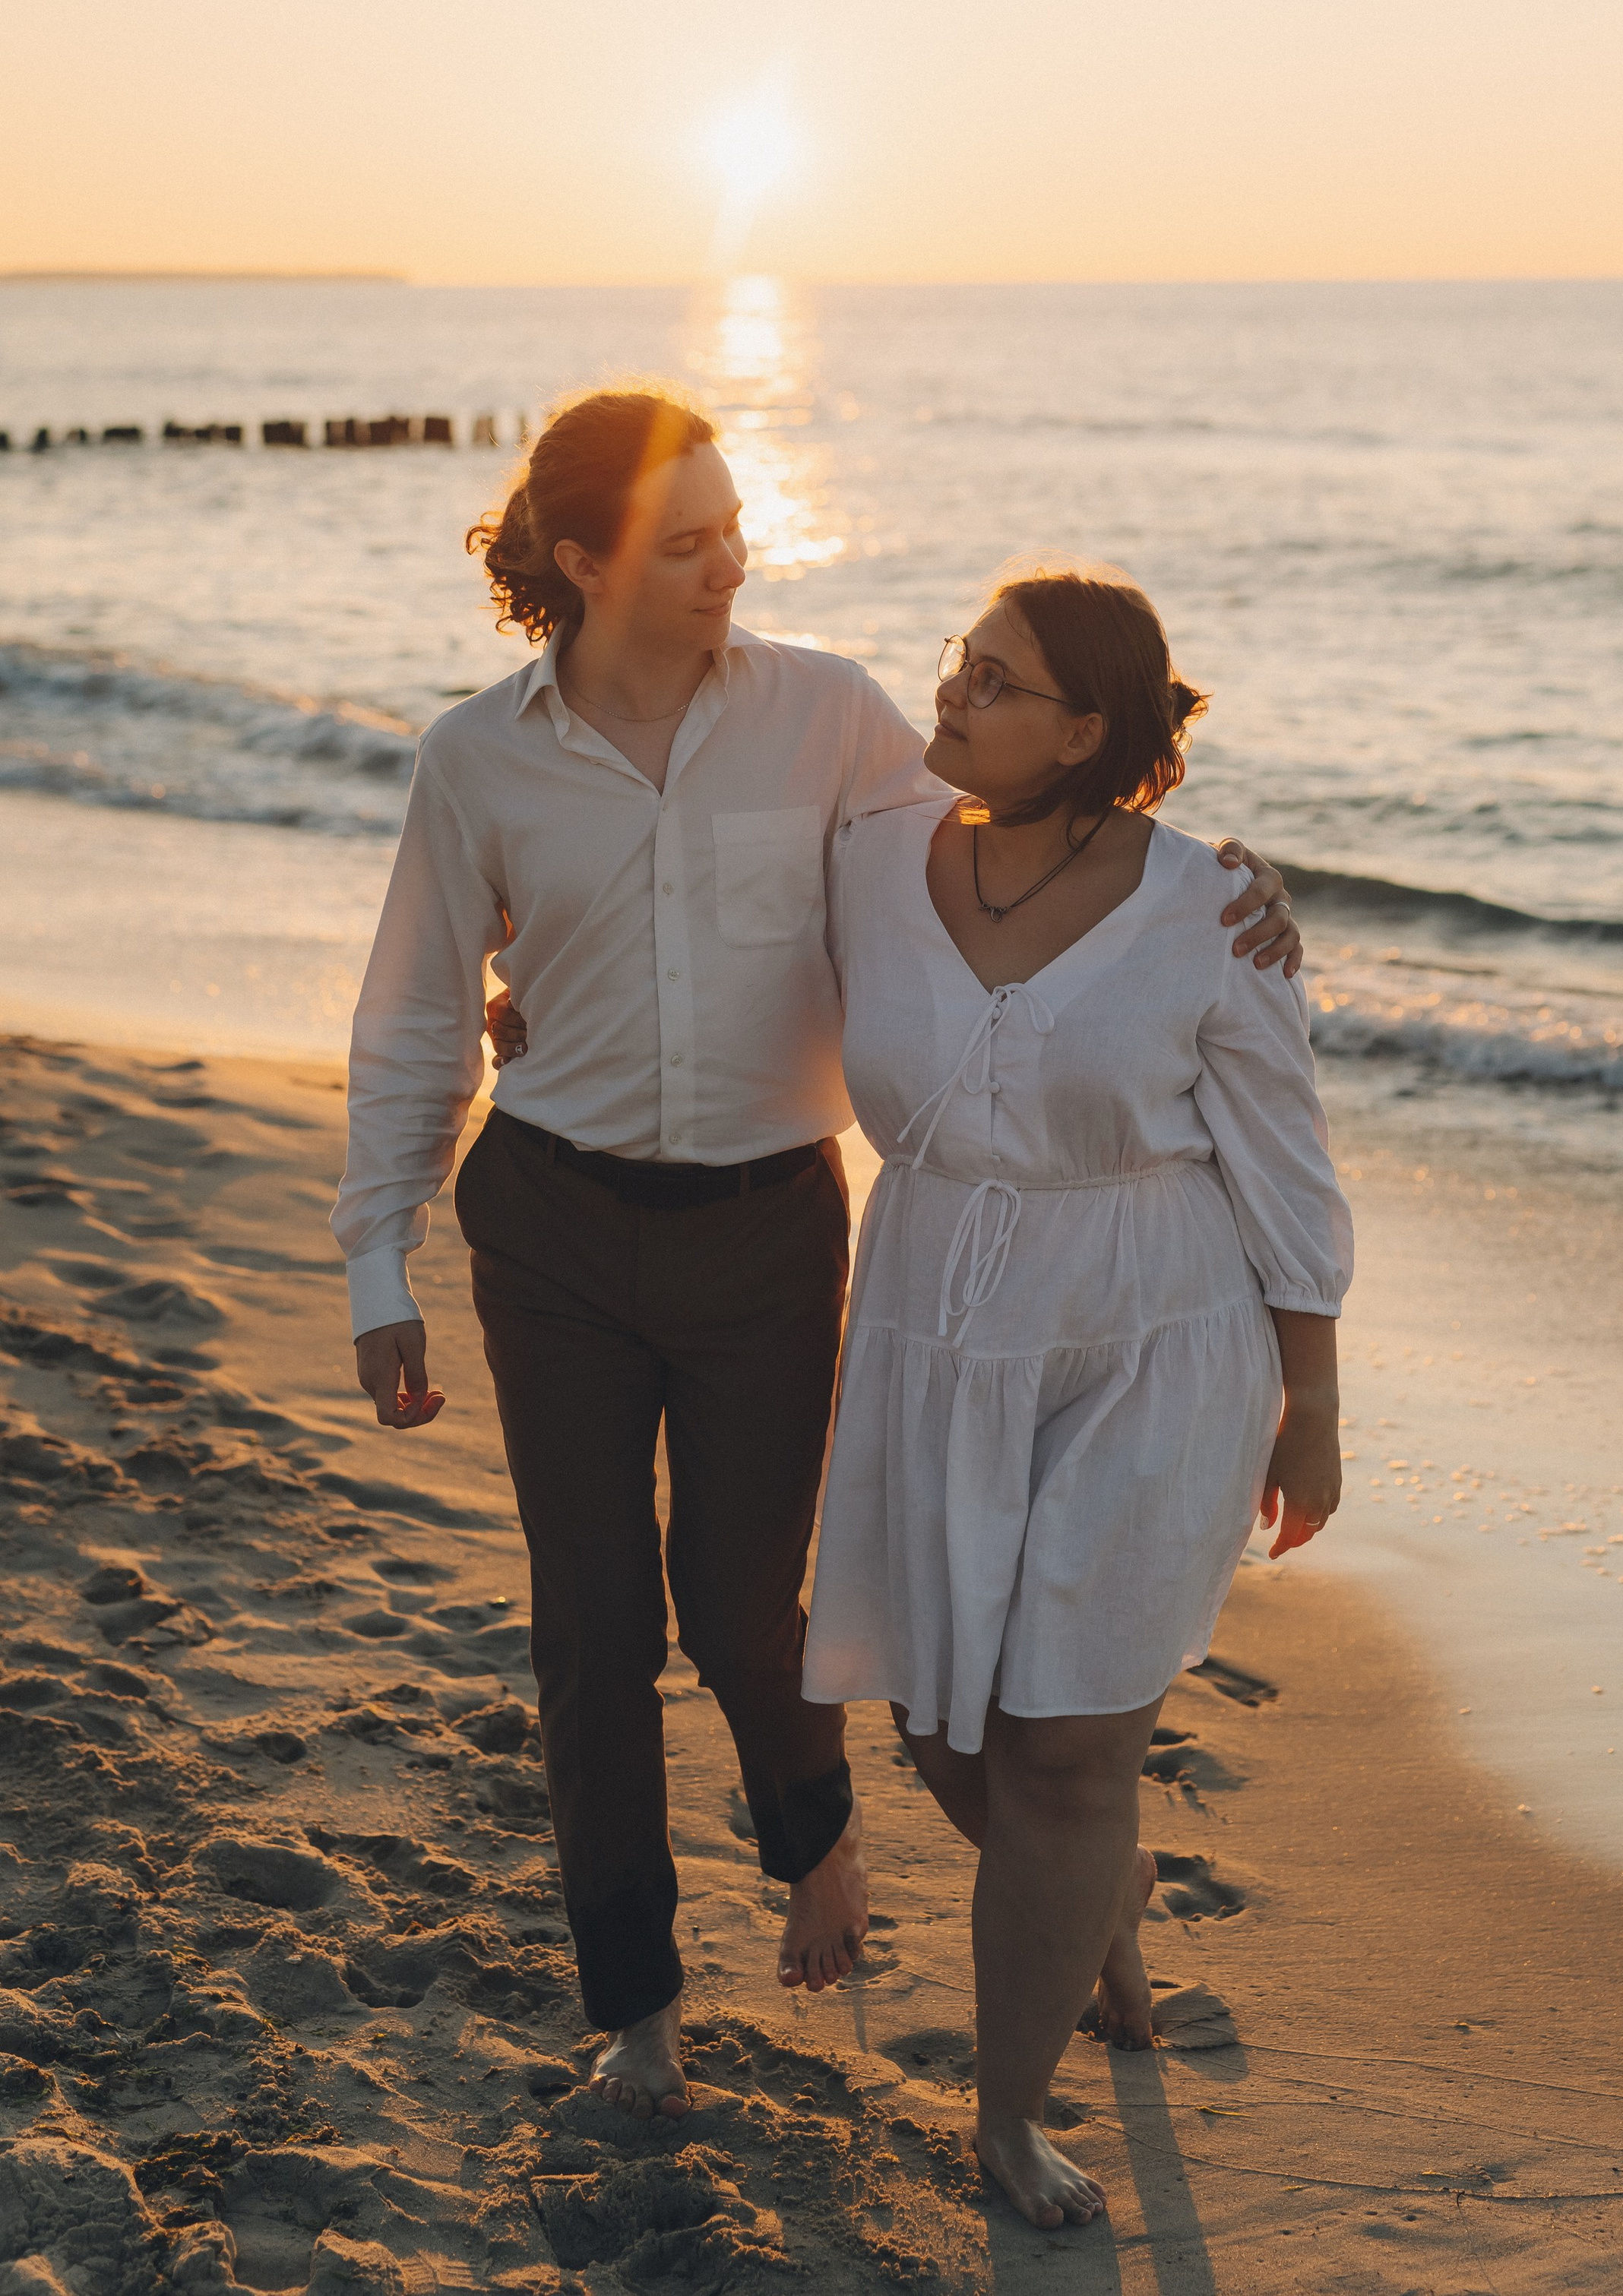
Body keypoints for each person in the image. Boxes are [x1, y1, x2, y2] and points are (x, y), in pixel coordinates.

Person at [330, 384, 1305, 2124]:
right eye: (685, 540)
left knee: (742, 1609)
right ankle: (636, 2016)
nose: (731, 562)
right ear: (581, 561)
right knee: (590, 1627)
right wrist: (376, 1254)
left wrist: (1217, 879)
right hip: (550, 1219)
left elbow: (1028, 838)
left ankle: (815, 1837)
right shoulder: (476, 757)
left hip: (767, 1228)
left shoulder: (833, 717)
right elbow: (417, 1008)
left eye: (734, 526)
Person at [801, 567, 1352, 2231]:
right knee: (937, 1720)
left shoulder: (1209, 906)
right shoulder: (868, 855)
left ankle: (1007, 2113)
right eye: (958, 661)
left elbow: (1284, 1162)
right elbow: (707, 937)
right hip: (931, 1328)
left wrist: (1311, 1402)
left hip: (1153, 1342)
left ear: (1085, 731)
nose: (951, 692)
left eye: (996, 678)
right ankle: (1104, 1883)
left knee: (1061, 1747)